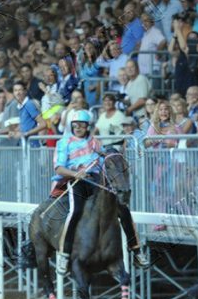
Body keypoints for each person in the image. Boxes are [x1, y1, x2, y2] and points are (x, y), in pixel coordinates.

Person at [53, 110, 148, 275]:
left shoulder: (94, 142)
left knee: (123, 209)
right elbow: (59, 168)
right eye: (75, 126)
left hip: (96, 180)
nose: (78, 128)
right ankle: (64, 254)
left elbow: (105, 158)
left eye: (81, 125)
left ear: (87, 126)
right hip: (76, 181)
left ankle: (136, 250)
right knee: (74, 212)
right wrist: (76, 173)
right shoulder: (64, 143)